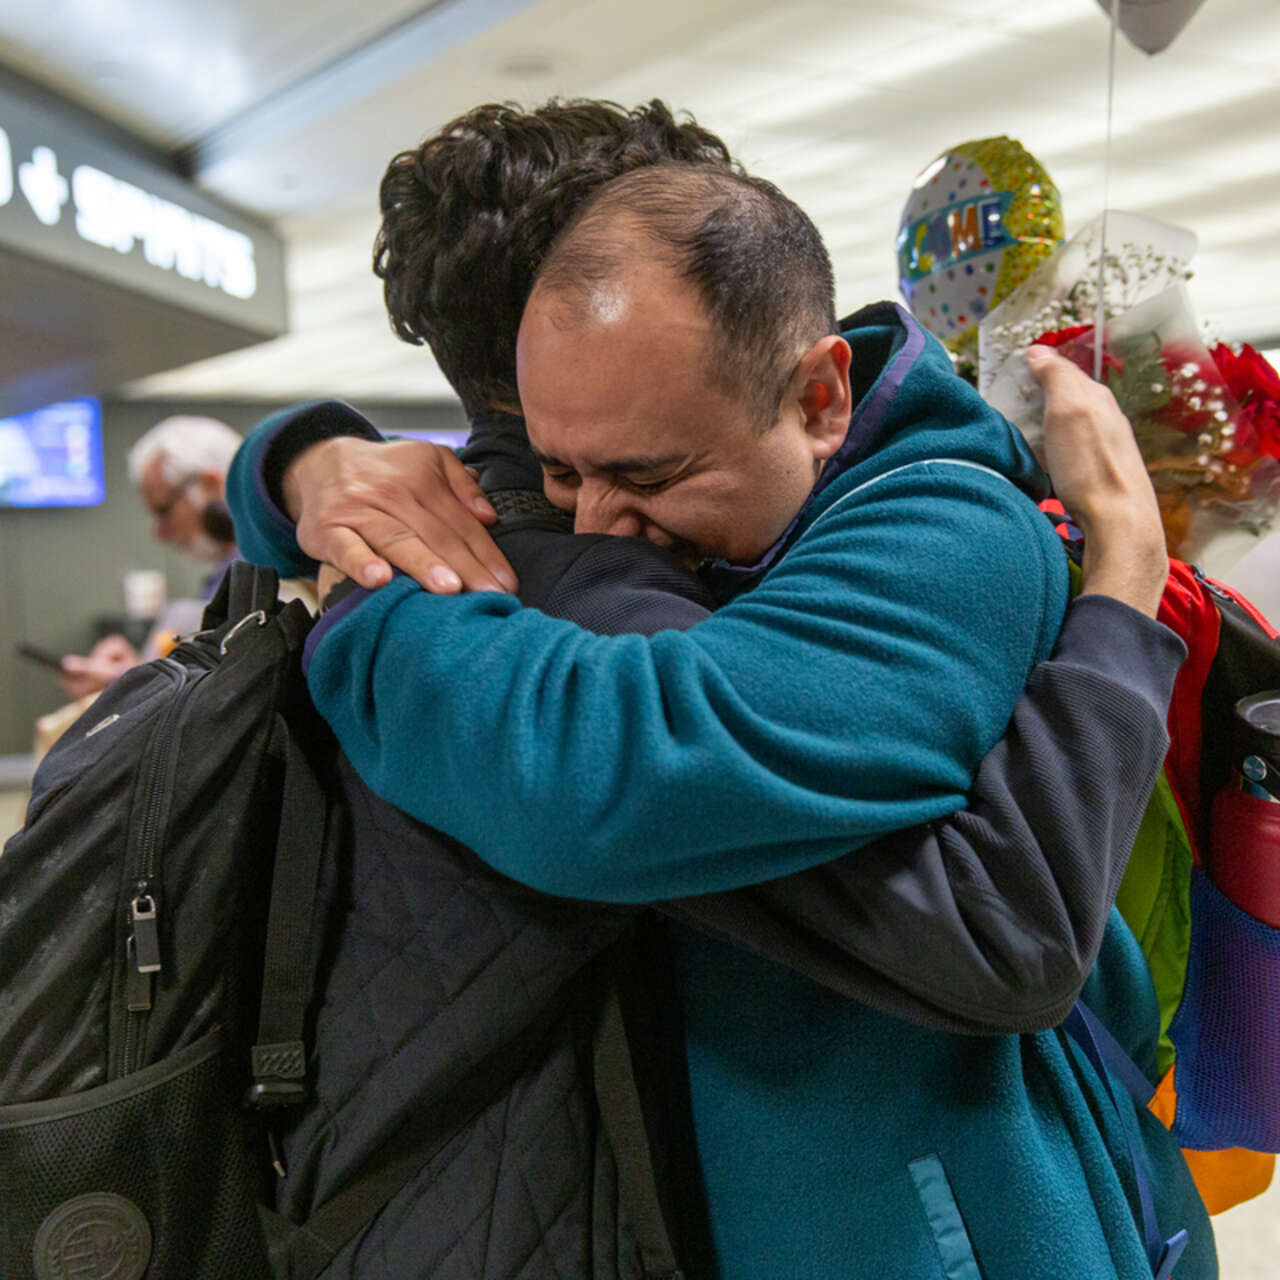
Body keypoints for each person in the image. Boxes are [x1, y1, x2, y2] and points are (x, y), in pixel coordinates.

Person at [229, 109, 1211, 1277]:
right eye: (558, 467)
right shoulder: (541, 532)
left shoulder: (927, 523)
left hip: (950, 1210)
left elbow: (996, 931)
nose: (597, 514)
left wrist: (366, 598)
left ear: (813, 394)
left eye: (646, 470)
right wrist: (308, 454)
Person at [57, 415, 243, 698]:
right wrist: (136, 673)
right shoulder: (230, 574)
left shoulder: (263, 577)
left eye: (164, 511)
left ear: (210, 485)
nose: (160, 533)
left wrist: (134, 684)